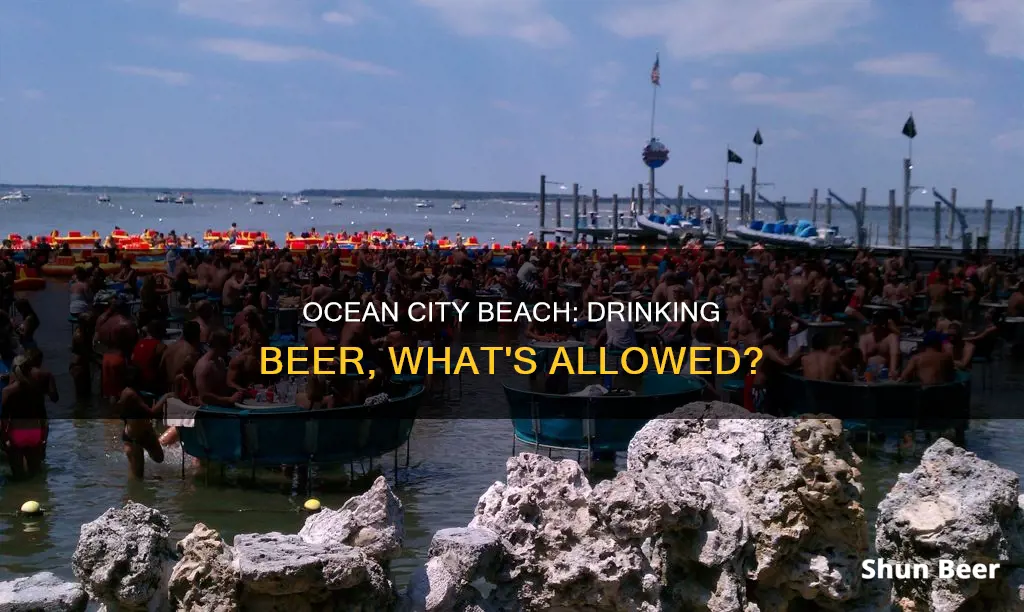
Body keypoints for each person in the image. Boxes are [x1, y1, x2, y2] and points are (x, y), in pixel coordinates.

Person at [1, 350, 58, 479]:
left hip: (16, 433)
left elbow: (4, 419)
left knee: (18, 477)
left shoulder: (8, 391)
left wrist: (4, 439)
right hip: (34, 433)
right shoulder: (37, 389)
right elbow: (43, 416)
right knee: (36, 475)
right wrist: (44, 438)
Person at [117, 366, 165, 479]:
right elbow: (151, 412)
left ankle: (149, 478)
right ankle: (133, 494)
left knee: (159, 458)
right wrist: (166, 397)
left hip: (145, 433)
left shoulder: (133, 391)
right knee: (137, 479)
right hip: (134, 439)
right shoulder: (130, 394)